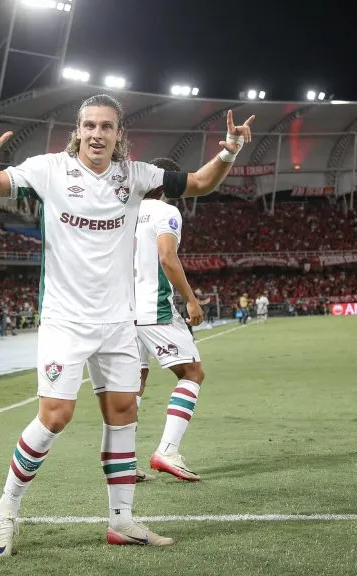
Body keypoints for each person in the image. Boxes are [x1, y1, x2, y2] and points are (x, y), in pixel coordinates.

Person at [0, 95, 253, 555]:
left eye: (107, 126)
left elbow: (199, 182)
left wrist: (229, 151)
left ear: (120, 134)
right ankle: (6, 507)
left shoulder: (136, 177)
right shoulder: (47, 170)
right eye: (90, 125)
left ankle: (122, 520)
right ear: (77, 130)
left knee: (123, 414)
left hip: (119, 322)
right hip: (65, 320)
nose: (97, 133)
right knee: (55, 417)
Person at [133, 156, 206, 482]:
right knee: (192, 372)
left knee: (132, 385)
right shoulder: (165, 211)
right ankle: (167, 450)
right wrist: (191, 300)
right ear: (166, 184)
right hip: (154, 310)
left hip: (119, 313)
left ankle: (121, 463)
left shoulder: (120, 213)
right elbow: (166, 257)